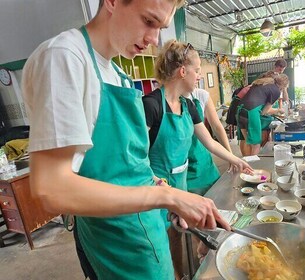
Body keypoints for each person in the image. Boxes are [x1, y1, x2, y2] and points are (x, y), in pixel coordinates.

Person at [21, 1, 230, 279]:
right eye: (148, 21)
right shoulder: (65, 58)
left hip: (148, 230)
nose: (154, 39)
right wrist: (166, 196)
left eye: (161, 27)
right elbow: (52, 188)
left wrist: (169, 196)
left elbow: (129, 165)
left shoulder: (118, 74)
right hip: (116, 245)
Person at [143, 40, 252, 278]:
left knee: (176, 234)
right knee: (157, 241)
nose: (200, 76)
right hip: (153, 186)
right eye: (198, 70)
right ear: (183, 71)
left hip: (179, 183)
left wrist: (236, 160)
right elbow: (137, 158)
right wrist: (160, 187)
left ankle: (181, 274)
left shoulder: (189, 105)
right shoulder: (151, 105)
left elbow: (209, 141)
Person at [185, 88, 232, 195]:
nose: (199, 76)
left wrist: (230, 156)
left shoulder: (200, 95)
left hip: (203, 159)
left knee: (217, 194)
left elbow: (216, 127)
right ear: (182, 71)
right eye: (196, 71)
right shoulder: (160, 102)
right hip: (182, 165)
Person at [236, 73, 288, 156]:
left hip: (240, 111)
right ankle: (252, 167)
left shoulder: (262, 83)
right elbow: (265, 111)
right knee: (256, 144)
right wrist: (278, 110)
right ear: (284, 86)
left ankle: (247, 165)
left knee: (248, 142)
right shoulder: (276, 91)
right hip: (251, 112)